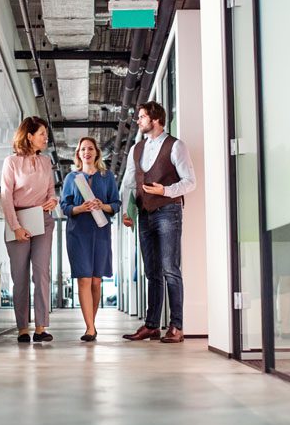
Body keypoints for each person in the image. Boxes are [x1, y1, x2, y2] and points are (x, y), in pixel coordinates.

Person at [120, 101, 196, 343]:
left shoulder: (176, 146)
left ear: (156, 119)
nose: (139, 121)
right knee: (152, 271)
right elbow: (129, 183)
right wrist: (127, 210)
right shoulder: (137, 148)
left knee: (170, 270)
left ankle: (177, 327)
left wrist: (165, 191)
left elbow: (190, 182)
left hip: (168, 211)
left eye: (142, 117)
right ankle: (152, 325)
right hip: (144, 213)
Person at [1, 117, 58, 343]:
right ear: (29, 136)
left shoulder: (45, 162)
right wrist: (16, 227)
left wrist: (53, 200)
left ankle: (41, 327)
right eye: (42, 133)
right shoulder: (11, 162)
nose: (46, 137)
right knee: (20, 276)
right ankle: (22, 328)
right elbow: (6, 197)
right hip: (19, 221)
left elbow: (51, 191)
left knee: (41, 273)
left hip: (42, 220)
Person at [60, 136, 121, 342]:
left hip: (101, 232)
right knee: (84, 278)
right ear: (78, 154)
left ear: (96, 153)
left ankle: (91, 325)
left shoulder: (107, 177)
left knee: (96, 281)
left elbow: (116, 203)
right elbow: (64, 207)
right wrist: (80, 208)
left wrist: (102, 205)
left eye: (90, 149)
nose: (86, 152)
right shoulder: (71, 178)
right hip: (78, 232)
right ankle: (89, 327)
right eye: (83, 149)